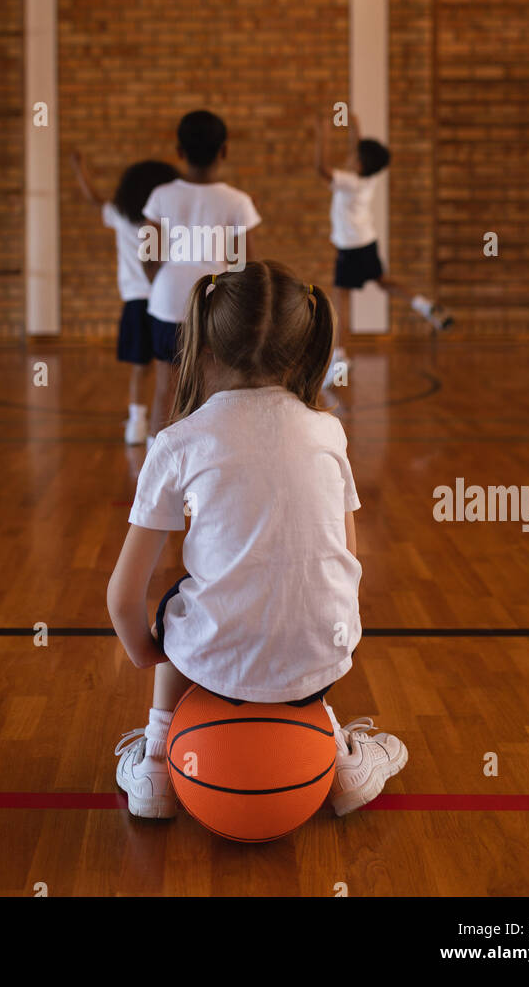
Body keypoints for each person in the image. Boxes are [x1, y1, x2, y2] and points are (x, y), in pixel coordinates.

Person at [107, 260, 408, 820]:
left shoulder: (178, 442)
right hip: (327, 647)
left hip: (211, 665)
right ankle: (341, 761)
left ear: (204, 345)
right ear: (305, 346)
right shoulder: (328, 430)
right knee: (308, 592)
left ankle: (154, 761)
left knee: (179, 599)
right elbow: (346, 558)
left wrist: (151, 651)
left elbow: (123, 597)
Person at [141, 110, 261, 444]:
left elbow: (148, 254)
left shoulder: (161, 195)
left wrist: (161, 283)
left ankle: (155, 465)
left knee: (165, 388)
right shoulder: (237, 201)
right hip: (213, 303)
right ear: (224, 150)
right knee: (211, 388)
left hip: (167, 301)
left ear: (179, 151)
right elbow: (245, 264)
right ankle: (207, 467)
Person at [315, 111, 453, 376]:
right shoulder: (370, 177)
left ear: (359, 165)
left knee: (341, 301)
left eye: (354, 156)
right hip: (368, 243)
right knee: (382, 281)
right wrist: (355, 125)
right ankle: (424, 304)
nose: (350, 156)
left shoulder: (351, 182)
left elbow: (321, 169)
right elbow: (362, 150)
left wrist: (324, 134)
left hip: (351, 249)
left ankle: (341, 358)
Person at [71, 152, 179, 444]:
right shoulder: (165, 219)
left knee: (140, 368)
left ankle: (136, 423)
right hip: (166, 300)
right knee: (168, 369)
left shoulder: (120, 215)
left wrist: (80, 168)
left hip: (135, 299)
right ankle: (164, 427)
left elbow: (93, 198)